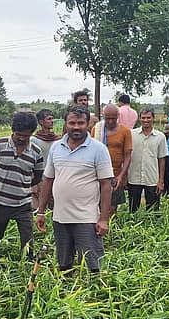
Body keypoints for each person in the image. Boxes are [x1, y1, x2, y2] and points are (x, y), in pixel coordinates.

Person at [36, 106, 113, 272]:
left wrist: (104, 218)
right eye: (72, 122)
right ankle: (66, 294)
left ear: (87, 124)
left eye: (80, 123)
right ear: (65, 124)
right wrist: (41, 211)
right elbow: (48, 180)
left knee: (93, 265)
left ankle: (95, 294)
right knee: (64, 264)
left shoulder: (98, 149)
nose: (76, 127)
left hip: (86, 218)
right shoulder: (56, 147)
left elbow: (106, 184)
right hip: (60, 218)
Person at [0, 112, 44, 258]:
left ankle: (27, 263)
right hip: (0, 202)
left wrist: (23, 184)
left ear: (31, 134)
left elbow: (38, 176)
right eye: (18, 134)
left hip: (23, 203)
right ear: (12, 130)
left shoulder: (36, 152)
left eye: (26, 135)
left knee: (27, 239)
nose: (21, 138)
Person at [91, 104, 132, 214]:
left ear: (118, 116)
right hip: (97, 175)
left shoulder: (125, 131)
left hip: (115, 175)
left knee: (112, 208)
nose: (110, 122)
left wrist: (121, 176)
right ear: (103, 116)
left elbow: (128, 155)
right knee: (96, 207)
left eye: (113, 119)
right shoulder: (97, 130)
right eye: (107, 118)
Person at [127, 108, 167, 212]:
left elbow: (162, 159)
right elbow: (127, 156)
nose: (146, 120)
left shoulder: (160, 137)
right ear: (140, 119)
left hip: (152, 178)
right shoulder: (131, 134)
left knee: (153, 210)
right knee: (133, 209)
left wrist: (161, 180)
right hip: (134, 177)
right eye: (143, 118)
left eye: (148, 117)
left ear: (153, 118)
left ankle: (153, 227)